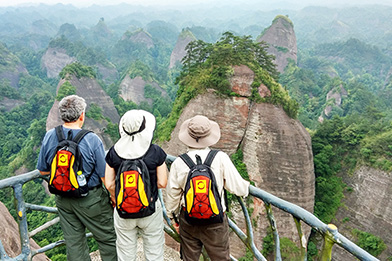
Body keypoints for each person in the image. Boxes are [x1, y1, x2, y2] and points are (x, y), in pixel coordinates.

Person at [36, 95, 117, 261]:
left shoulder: (51, 136)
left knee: (74, 243)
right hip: (91, 200)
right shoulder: (92, 139)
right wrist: (114, 197)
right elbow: (104, 177)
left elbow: (43, 171)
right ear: (82, 115)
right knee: (108, 239)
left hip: (63, 200)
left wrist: (63, 182)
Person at [166, 115, 250, 261]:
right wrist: (248, 186)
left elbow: (172, 197)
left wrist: (174, 220)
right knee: (220, 258)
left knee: (189, 258)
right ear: (209, 136)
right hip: (215, 221)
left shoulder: (179, 162)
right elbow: (239, 188)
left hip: (189, 219)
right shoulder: (220, 158)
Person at [104, 109, 168, 261]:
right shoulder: (155, 151)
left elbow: (109, 184)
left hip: (123, 210)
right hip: (150, 208)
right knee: (154, 252)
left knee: (126, 254)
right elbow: (162, 182)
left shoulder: (114, 152)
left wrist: (118, 198)